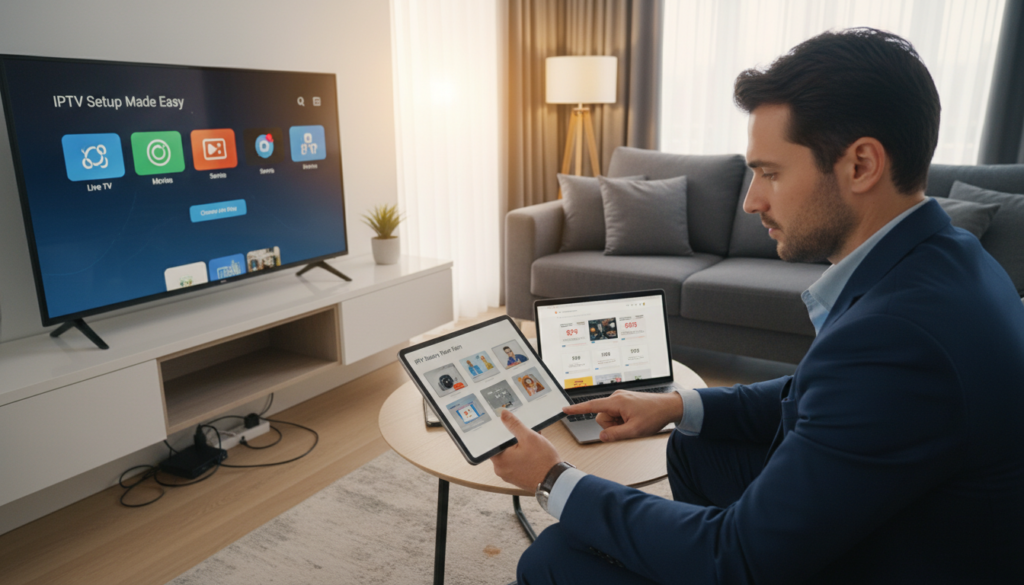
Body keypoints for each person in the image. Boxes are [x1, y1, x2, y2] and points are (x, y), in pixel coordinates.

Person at [492, 28, 1024, 584]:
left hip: (896, 558)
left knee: (553, 559)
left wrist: (552, 477)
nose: (752, 200)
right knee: (695, 446)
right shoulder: (951, 256)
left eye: (770, 172)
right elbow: (822, 391)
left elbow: (735, 558)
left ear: (862, 165)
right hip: (908, 517)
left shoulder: (897, 337)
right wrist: (677, 405)